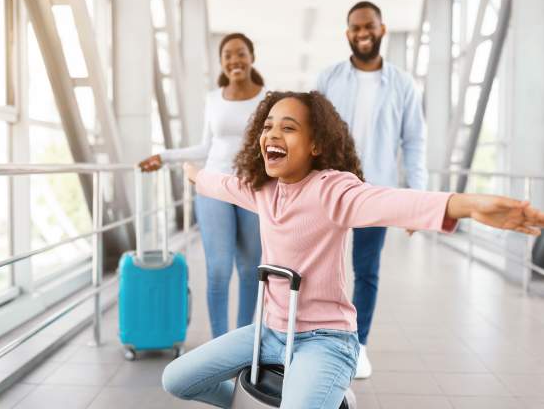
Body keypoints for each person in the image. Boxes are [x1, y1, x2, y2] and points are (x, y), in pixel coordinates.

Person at [161, 91, 544, 409]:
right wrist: (190, 172)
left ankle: (334, 393)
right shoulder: (262, 190)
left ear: (315, 145)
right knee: (176, 379)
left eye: (288, 127)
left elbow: (391, 201)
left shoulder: (332, 190)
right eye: (267, 126)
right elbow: (217, 183)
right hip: (270, 333)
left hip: (326, 339)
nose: (272, 134)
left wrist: (469, 204)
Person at [316, 1, 426, 378]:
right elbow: (308, 131)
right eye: (355, 28)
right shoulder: (328, 78)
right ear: (348, 34)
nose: (363, 33)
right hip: (328, 186)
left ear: (382, 29)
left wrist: (418, 199)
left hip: (374, 191)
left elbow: (414, 142)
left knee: (366, 270)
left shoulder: (402, 83)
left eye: (369, 26)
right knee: (317, 268)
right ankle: (314, 342)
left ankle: (358, 346)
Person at [139, 33, 265, 338]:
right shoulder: (213, 99)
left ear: (251, 57)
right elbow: (204, 148)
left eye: (241, 53)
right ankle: (219, 345)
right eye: (228, 55)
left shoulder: (269, 99)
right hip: (213, 187)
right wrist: (164, 156)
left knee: (249, 271)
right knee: (219, 269)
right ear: (221, 62)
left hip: (253, 190)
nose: (235, 60)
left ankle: (243, 343)